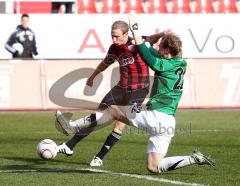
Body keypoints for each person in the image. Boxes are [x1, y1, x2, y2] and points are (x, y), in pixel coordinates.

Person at [56, 15, 215, 173]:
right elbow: (151, 51)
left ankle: (72, 127)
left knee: (112, 110)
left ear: (167, 50)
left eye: (161, 47)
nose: (157, 48)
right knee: (154, 167)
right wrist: (149, 41)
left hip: (155, 116)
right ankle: (193, 158)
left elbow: (148, 57)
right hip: (168, 123)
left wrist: (136, 32)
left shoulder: (165, 64)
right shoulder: (181, 63)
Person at [56, 20, 169, 167]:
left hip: (139, 90)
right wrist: (92, 77)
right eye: (112, 36)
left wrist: (162, 34)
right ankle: (70, 146)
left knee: (119, 124)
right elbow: (105, 63)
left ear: (126, 34)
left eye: (117, 36)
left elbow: (151, 39)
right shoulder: (114, 48)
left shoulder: (137, 41)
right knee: (97, 116)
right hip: (120, 88)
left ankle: (99, 157)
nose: (114, 40)